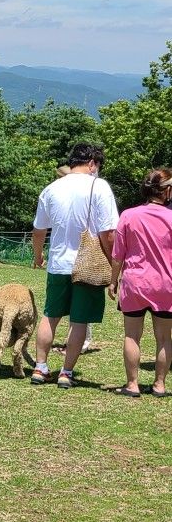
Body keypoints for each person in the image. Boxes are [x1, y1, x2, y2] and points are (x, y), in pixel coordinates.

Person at [31, 143, 119, 388]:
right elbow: (109, 233)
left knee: (50, 315)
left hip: (58, 263)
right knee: (79, 320)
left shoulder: (51, 189)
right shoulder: (98, 186)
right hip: (87, 266)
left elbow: (38, 231)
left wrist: (38, 256)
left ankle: (40, 367)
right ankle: (66, 372)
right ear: (92, 163)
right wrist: (113, 264)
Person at [108, 169, 172, 398]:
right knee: (164, 337)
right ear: (167, 191)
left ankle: (132, 384)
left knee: (131, 335)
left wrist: (113, 282)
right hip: (166, 284)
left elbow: (118, 256)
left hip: (135, 283)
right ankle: (160, 385)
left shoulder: (128, 215)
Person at [54, 164, 93, 354]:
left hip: (76, 260)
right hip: (77, 260)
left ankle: (81, 342)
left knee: (77, 310)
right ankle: (74, 343)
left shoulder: (88, 189)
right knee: (77, 308)